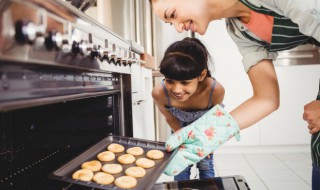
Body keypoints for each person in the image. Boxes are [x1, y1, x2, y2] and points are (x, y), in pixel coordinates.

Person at [150, 0, 320, 189]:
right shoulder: (239, 30)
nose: (178, 28)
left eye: (172, 14)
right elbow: (266, 98)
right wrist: (211, 133)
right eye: (169, 23)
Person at [152, 37, 225, 180]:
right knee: (180, 168)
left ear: (201, 75)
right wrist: (182, 140)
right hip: (179, 130)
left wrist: (206, 143)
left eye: (185, 82)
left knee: (206, 165)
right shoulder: (159, 93)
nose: (177, 89)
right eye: (170, 80)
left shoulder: (215, 90)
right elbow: (170, 118)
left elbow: (214, 119)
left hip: (205, 133)